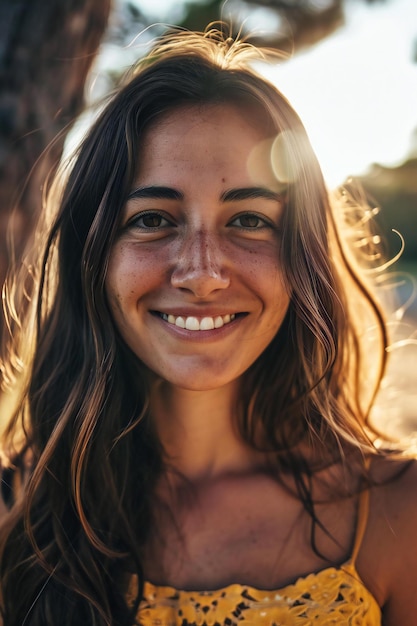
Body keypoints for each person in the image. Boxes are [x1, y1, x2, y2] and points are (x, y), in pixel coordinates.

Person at [0, 25, 416, 626]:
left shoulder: (395, 512)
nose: (202, 274)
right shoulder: (19, 516)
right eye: (152, 219)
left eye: (248, 218)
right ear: (94, 257)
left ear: (303, 253)